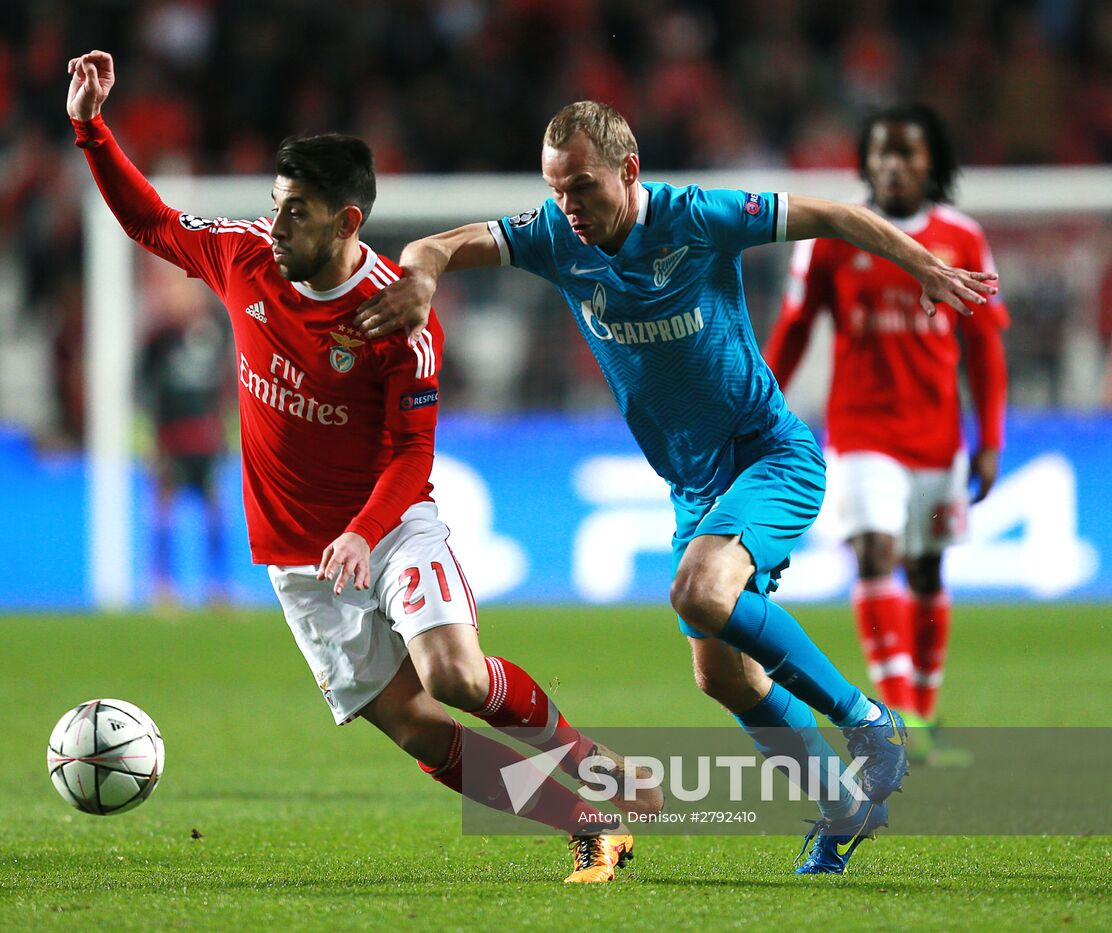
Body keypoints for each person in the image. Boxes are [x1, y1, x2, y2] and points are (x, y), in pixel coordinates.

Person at [355, 100, 999, 875]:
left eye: (583, 187)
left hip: (770, 456)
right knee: (720, 674)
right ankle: (841, 806)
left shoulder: (699, 217)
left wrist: (922, 263)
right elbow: (437, 243)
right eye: (557, 189)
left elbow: (832, 213)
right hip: (693, 486)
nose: (569, 207)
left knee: (698, 590)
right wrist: (422, 273)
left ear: (629, 172)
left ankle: (869, 722)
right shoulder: (556, 236)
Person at [68, 51, 660, 884]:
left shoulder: (398, 315)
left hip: (390, 526)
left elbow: (414, 455)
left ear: (347, 222)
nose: (275, 227)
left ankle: (598, 769)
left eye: (296, 213)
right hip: (295, 557)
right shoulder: (241, 258)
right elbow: (152, 223)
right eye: (274, 207)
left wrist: (363, 532)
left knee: (452, 673)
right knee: (417, 728)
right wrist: (90, 128)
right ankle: (584, 820)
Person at [764, 104, 1008, 741]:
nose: (893, 166)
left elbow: (985, 348)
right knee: (876, 552)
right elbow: (794, 330)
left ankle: (923, 713)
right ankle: (897, 716)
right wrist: (758, 407)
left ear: (932, 163)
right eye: (881, 153)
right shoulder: (835, 232)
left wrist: (991, 441)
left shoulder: (962, 236)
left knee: (927, 571)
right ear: (867, 162)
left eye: (907, 153)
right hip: (862, 430)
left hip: (938, 435)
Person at [137, 276, 230, 608]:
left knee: (216, 514)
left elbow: (223, 387)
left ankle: (218, 587)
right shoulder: (158, 340)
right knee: (163, 514)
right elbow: (143, 391)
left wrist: (223, 432)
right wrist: (152, 441)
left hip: (206, 441)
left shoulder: (215, 331)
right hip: (170, 441)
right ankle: (162, 586)